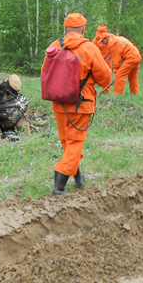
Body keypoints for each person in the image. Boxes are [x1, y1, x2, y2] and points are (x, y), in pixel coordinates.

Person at [42, 13, 112, 196]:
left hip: (59, 104)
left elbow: (45, 74)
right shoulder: (89, 48)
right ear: (83, 30)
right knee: (74, 145)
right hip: (81, 105)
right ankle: (59, 186)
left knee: (68, 144)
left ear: (65, 29)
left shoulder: (54, 47)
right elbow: (105, 78)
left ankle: (78, 178)